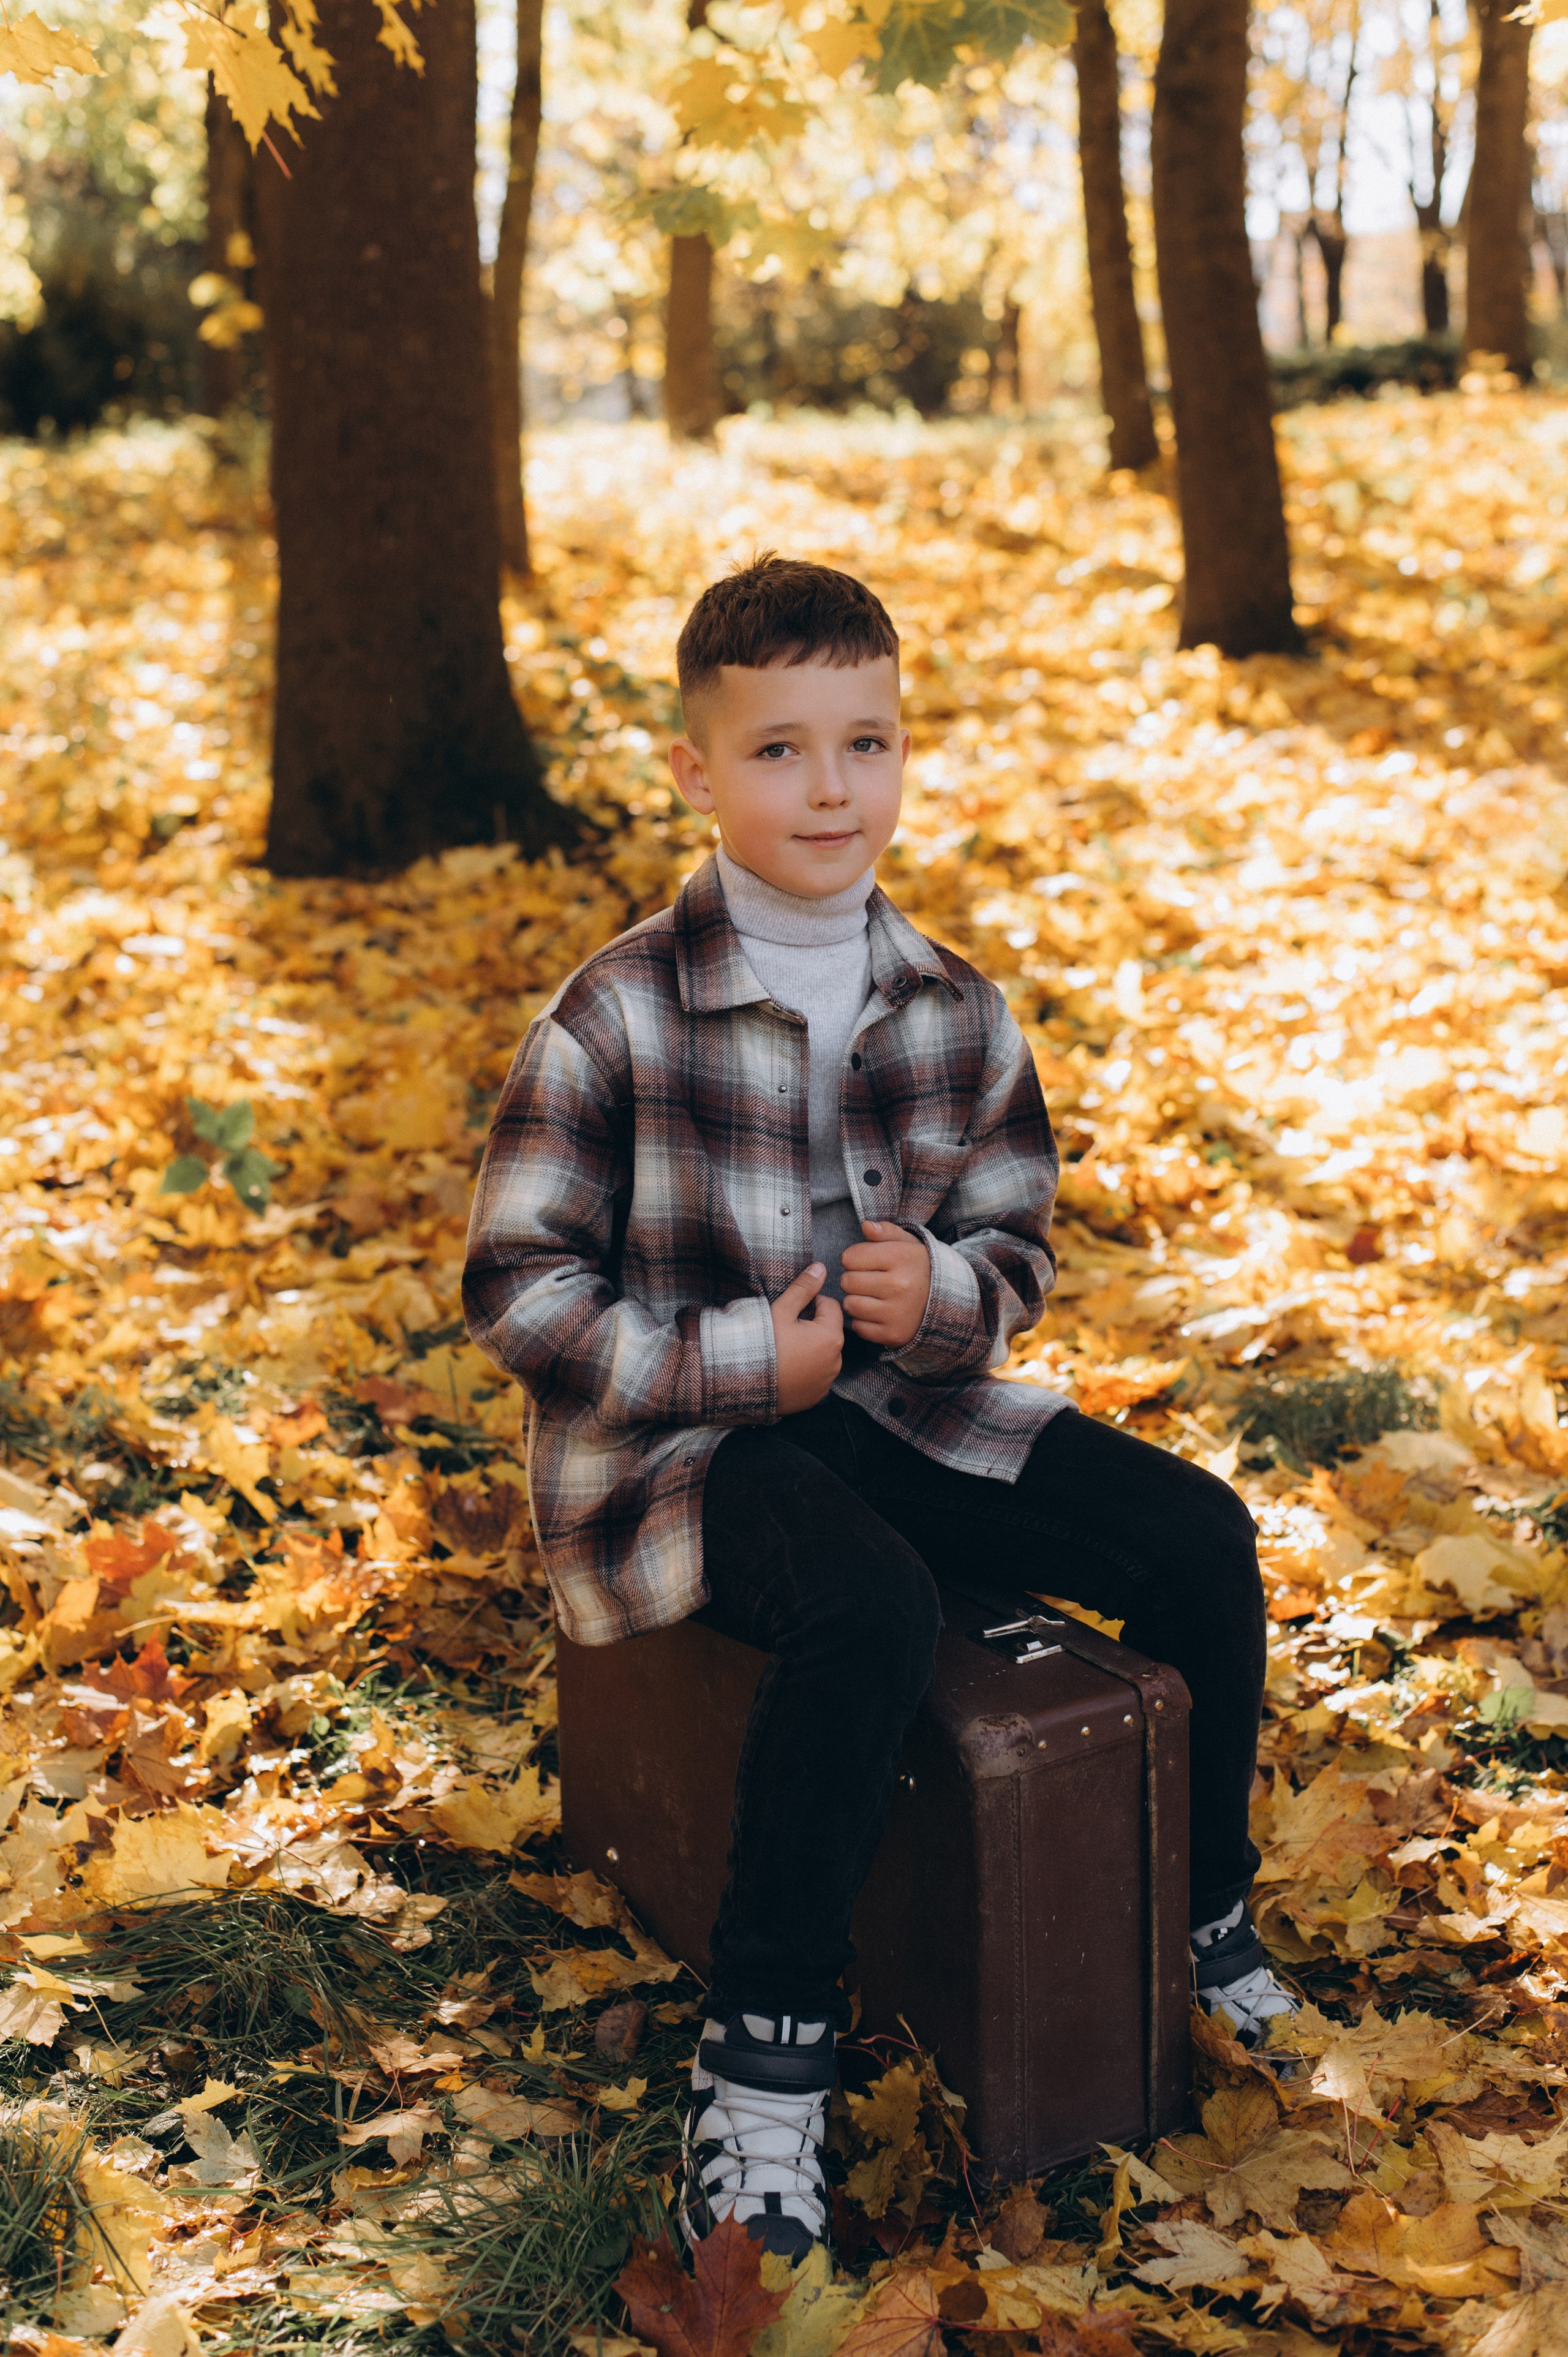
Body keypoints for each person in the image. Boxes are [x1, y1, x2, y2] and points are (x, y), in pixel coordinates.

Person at [463, 554, 1297, 2263]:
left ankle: (1201, 1913)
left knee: (1200, 1536)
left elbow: (1017, 1241)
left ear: (906, 752)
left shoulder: (955, 1009)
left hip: (907, 1416)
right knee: (871, 1608)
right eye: (778, 751)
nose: (830, 788)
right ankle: (762, 2066)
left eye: (867, 743)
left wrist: (952, 1301)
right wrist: (727, 1365)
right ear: (697, 774)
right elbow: (518, 1289)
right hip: (693, 1447)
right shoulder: (617, 1010)